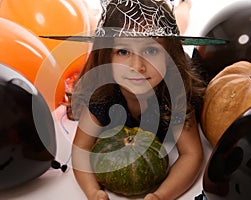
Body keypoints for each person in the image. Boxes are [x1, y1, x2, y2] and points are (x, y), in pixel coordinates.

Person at [64, 0, 220, 199]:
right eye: (123, 51)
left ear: (169, 56)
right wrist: (93, 191)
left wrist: (159, 196)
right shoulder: (103, 96)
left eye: (151, 50)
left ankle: (184, 4)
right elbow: (81, 149)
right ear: (106, 57)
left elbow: (192, 155)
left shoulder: (174, 96)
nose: (137, 66)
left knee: (179, 24)